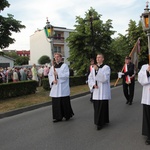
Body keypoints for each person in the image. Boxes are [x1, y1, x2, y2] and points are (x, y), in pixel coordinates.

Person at [48, 53, 74, 122]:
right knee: (56, 102)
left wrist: (58, 74)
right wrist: (53, 81)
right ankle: (57, 117)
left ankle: (67, 115)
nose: (56, 58)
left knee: (64, 101)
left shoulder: (64, 66)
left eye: (58, 57)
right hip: (56, 87)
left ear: (61, 58)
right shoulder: (52, 67)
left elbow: (66, 75)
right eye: (55, 57)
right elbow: (50, 75)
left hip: (63, 87)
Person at [88, 53, 111, 130]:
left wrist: (98, 70)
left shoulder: (106, 68)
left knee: (102, 107)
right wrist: (93, 84)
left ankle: (102, 122)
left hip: (103, 90)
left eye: (99, 57)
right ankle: (98, 122)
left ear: (103, 59)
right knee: (97, 107)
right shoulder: (94, 68)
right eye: (97, 57)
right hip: (96, 90)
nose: (97, 59)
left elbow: (105, 79)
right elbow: (90, 78)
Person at [138, 64, 150, 145]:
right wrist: (147, 72)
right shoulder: (145, 67)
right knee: (148, 116)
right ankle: (149, 135)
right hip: (148, 97)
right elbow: (141, 80)